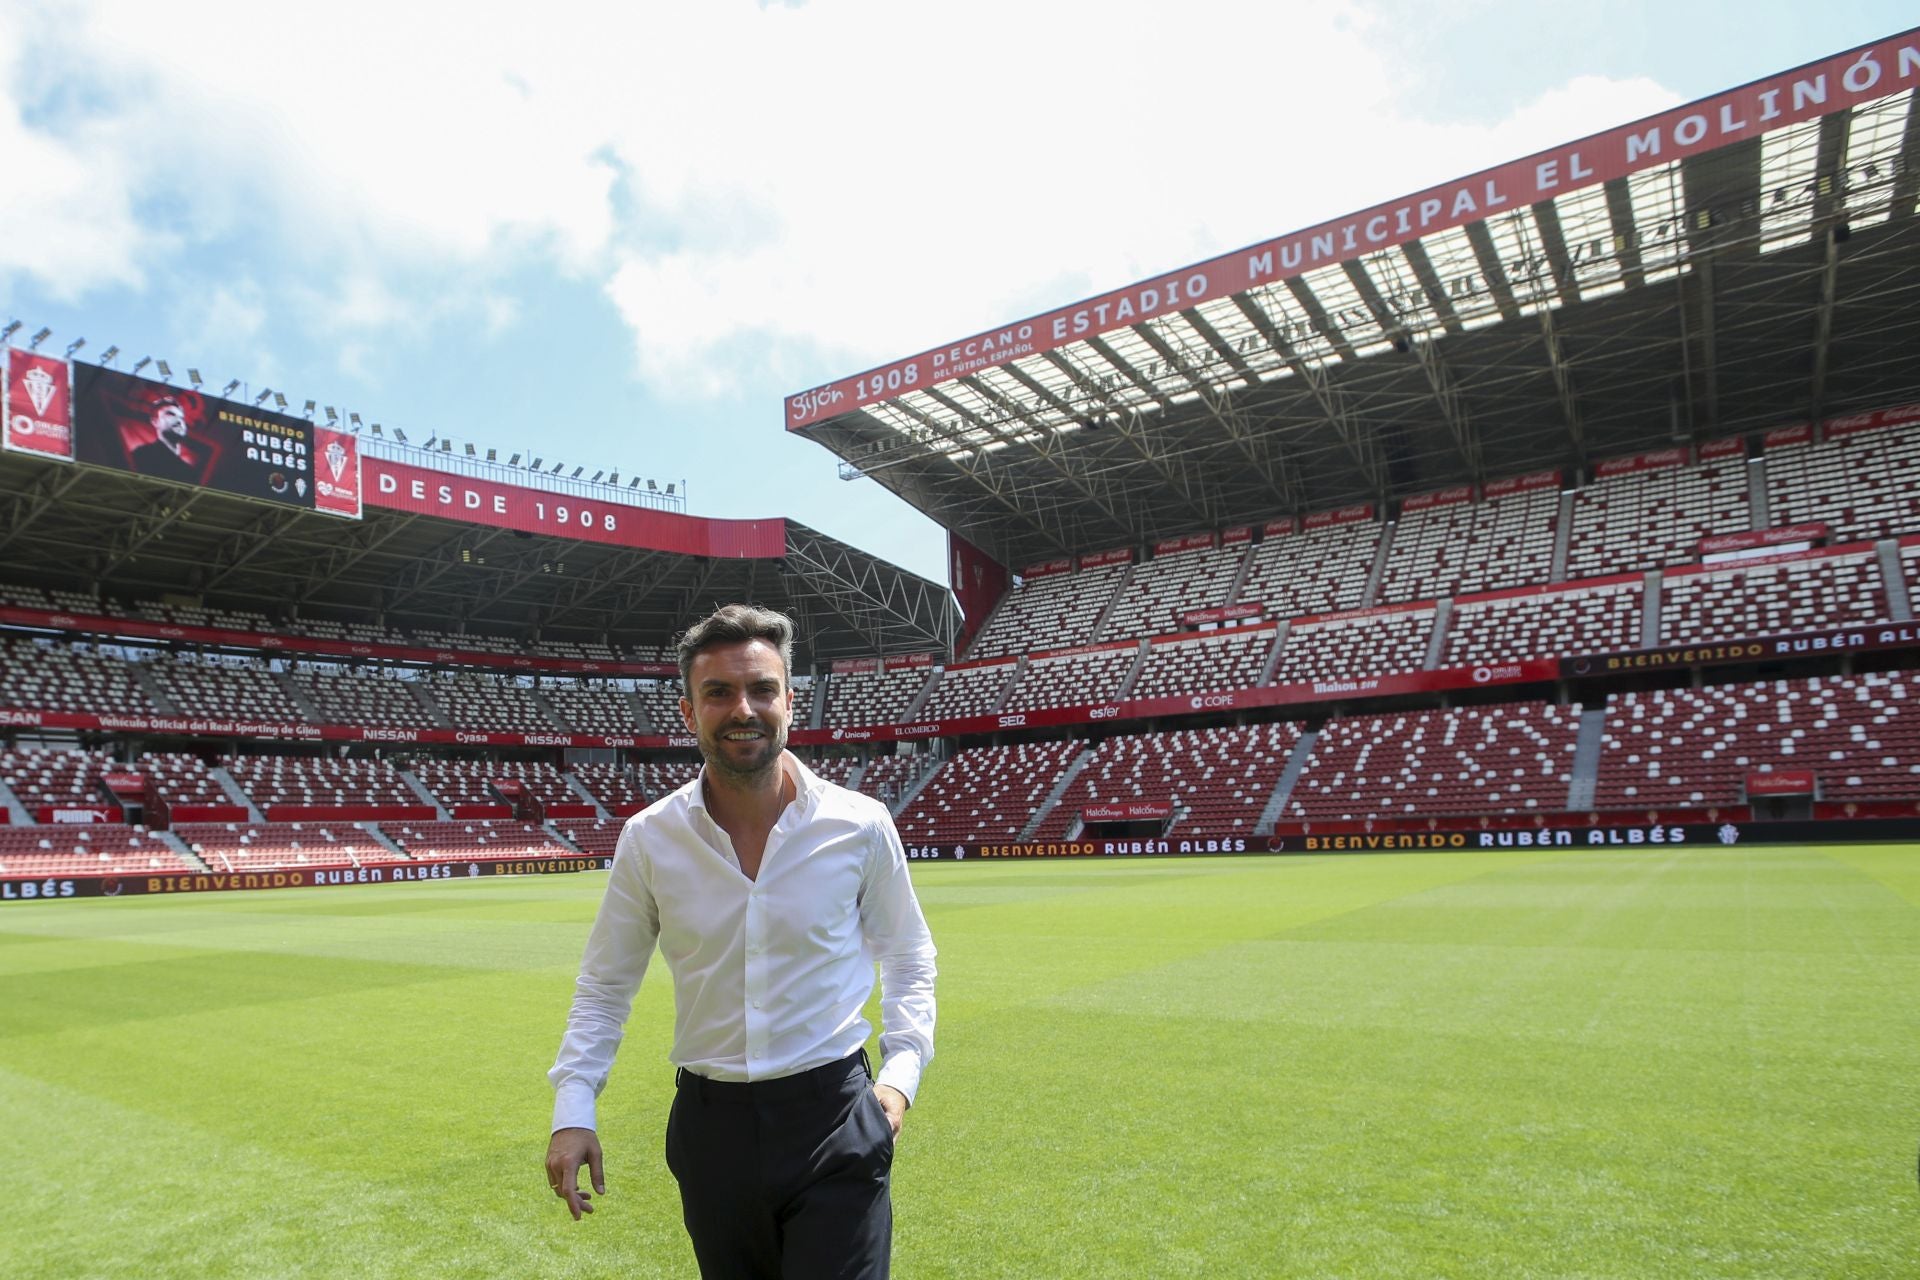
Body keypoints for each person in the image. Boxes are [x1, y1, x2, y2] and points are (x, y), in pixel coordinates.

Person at [545, 603, 937, 1279]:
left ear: (790, 700)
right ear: (689, 713)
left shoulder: (861, 825)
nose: (743, 709)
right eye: (719, 692)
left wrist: (899, 1080)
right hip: (711, 1127)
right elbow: (606, 984)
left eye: (761, 689)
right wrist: (573, 1108)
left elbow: (908, 955)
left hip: (836, 1115)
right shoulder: (649, 839)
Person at [127, 394, 201, 483]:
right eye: (171, 414)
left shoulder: (188, 473)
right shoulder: (142, 454)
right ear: (155, 421)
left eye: (181, 418)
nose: (179, 421)